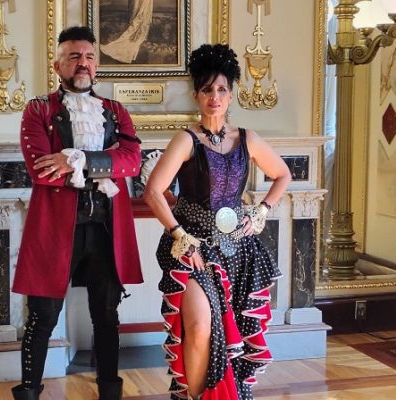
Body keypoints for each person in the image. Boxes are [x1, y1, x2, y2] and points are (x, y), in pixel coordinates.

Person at [143, 44, 291, 400]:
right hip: (193, 249)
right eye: (207, 89)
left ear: (231, 94)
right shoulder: (186, 140)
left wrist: (262, 210)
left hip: (238, 251)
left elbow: (282, 175)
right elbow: (153, 192)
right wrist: (180, 236)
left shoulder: (247, 139)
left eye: (222, 89)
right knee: (198, 327)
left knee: (231, 333)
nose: (215, 97)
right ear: (196, 94)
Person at [11, 26, 144, 400]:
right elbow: (42, 170)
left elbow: (132, 161)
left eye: (88, 57)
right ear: (58, 66)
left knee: (106, 315)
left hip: (105, 228)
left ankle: (109, 392)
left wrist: (77, 159)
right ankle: (30, 392)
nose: (83, 63)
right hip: (56, 229)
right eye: (74, 56)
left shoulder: (115, 111)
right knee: (42, 317)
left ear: (96, 65)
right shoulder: (38, 109)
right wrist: (106, 160)